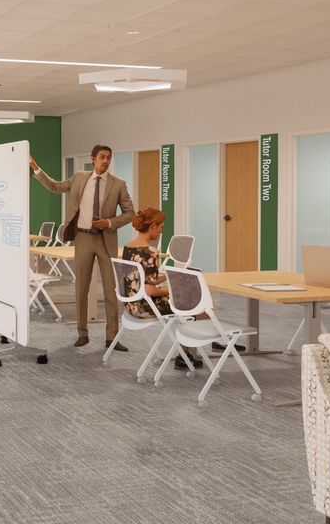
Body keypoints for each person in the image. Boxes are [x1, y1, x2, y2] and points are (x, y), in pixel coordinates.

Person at [31, 146, 134, 349]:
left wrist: (110, 223)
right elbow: (55, 187)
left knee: (110, 291)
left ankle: (111, 337)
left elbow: (130, 213)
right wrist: (36, 168)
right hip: (83, 238)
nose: (105, 161)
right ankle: (82, 333)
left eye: (109, 158)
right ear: (93, 159)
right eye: (102, 157)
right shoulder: (79, 177)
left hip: (106, 240)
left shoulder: (118, 184)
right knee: (81, 288)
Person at [121, 207, 203, 370]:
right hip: (144, 307)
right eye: (160, 227)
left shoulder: (129, 246)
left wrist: (170, 277)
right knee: (191, 300)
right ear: (152, 226)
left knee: (189, 297)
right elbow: (151, 291)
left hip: (130, 303)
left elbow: (145, 279)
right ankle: (186, 355)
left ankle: (204, 346)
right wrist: (174, 290)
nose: (160, 231)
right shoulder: (150, 252)